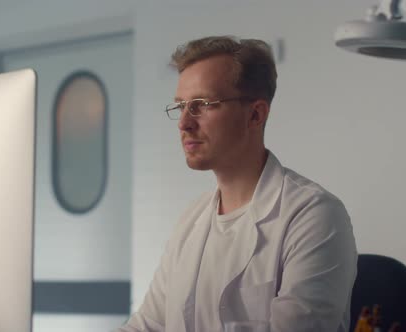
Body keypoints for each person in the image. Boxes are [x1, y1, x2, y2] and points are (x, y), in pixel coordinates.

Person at [116, 35, 357, 332]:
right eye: (181, 106)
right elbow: (147, 325)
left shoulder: (314, 216)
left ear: (255, 114)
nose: (184, 123)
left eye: (202, 104)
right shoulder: (191, 222)